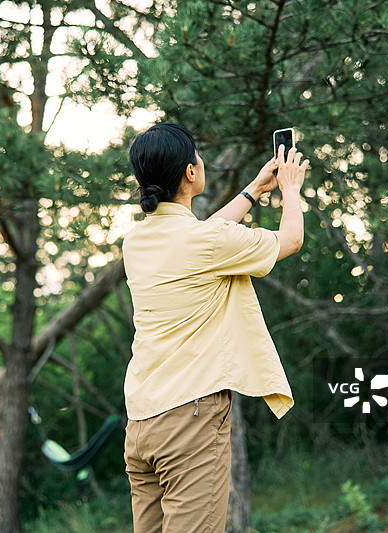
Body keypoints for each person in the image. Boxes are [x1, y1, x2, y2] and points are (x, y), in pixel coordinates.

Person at [122, 123, 309, 533]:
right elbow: (290, 240)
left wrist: (253, 191)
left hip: (141, 426)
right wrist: (290, 189)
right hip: (189, 421)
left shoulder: (134, 241)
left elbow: (205, 236)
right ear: (191, 173)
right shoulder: (206, 243)